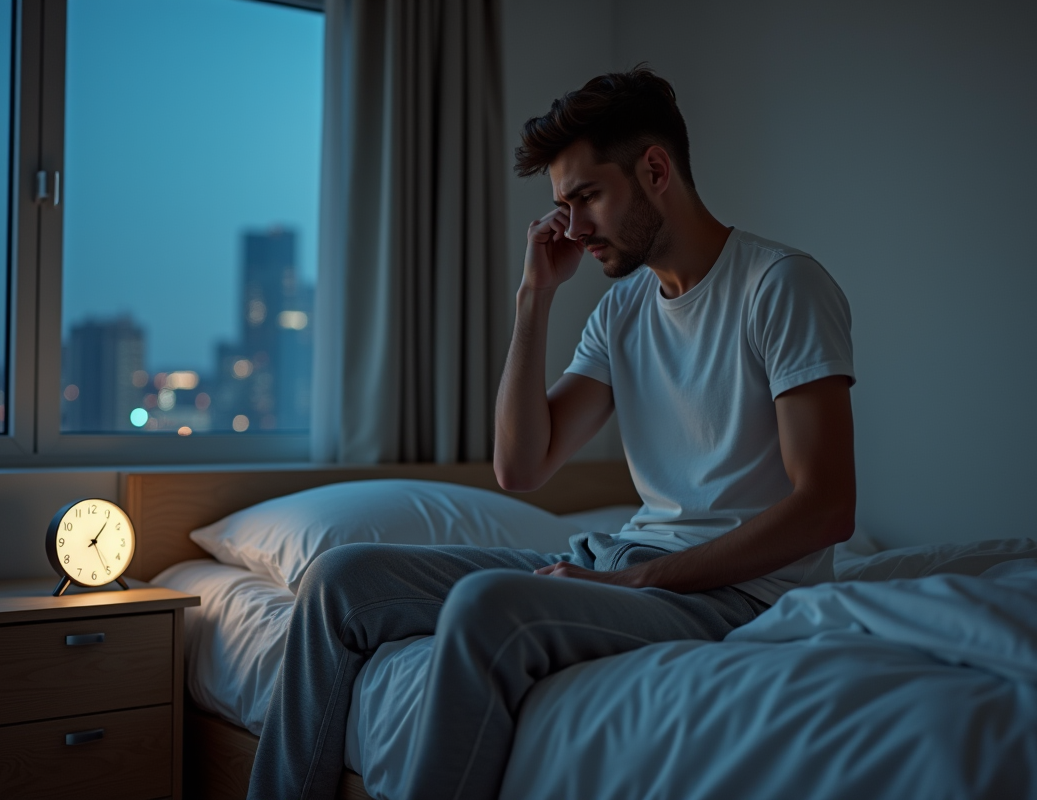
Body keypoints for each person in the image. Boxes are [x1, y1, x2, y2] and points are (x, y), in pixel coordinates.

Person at [248, 66, 856, 800]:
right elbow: (521, 468)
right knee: (338, 582)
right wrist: (534, 299)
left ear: (655, 171)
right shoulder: (624, 310)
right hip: (619, 560)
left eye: (586, 198)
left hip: (735, 595)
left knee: (486, 607)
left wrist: (629, 579)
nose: (570, 227)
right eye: (562, 207)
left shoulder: (781, 286)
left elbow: (826, 507)